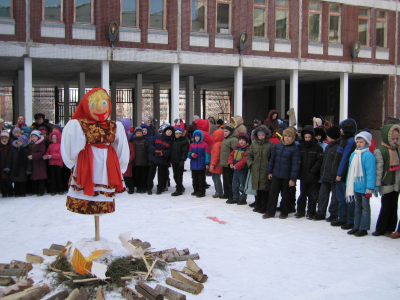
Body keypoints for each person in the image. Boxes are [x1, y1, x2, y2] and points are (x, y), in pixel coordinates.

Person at [61, 88, 129, 215]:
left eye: (104, 104)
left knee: (104, 189)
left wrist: (121, 165)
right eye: (93, 105)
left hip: (108, 163)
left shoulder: (115, 126)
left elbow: (121, 147)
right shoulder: (78, 125)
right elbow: (71, 145)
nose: (100, 109)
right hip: (88, 162)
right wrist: (71, 160)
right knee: (88, 189)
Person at [263, 128, 301, 219]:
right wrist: (270, 172)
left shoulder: (295, 149)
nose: (287, 138)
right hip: (276, 174)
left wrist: (292, 179)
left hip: (287, 176)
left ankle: (284, 212)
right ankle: (270, 211)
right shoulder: (278, 146)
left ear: (293, 138)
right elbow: (272, 160)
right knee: (273, 194)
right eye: (285, 136)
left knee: (286, 195)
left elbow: (296, 165)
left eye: (289, 136)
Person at [345, 131, 376, 237]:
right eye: (357, 141)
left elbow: (370, 173)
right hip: (355, 186)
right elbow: (350, 170)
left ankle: (364, 227)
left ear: (366, 143)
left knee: (365, 207)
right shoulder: (354, 154)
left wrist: (370, 188)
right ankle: (356, 226)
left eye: (361, 142)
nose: (358, 144)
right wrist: (348, 183)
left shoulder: (368, 156)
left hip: (364, 187)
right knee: (357, 207)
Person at [373, 124, 400, 237]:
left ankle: (390, 228)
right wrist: (377, 183)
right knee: (385, 207)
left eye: (397, 139)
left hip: (396, 183)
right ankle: (380, 228)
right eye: (393, 139)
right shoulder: (380, 150)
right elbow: (379, 169)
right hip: (386, 183)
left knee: (394, 207)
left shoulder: (396, 150)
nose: (395, 141)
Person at [331, 118, 357, 229]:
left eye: (342, 129)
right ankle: (342, 218)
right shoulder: (343, 140)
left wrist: (339, 173)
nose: (341, 131)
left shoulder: (351, 141)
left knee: (348, 199)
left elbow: (345, 159)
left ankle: (350, 220)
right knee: (340, 198)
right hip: (339, 174)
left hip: (345, 175)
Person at [314, 126, 341, 221]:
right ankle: (321, 212)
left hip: (334, 177)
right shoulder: (328, 146)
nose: (326, 137)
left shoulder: (339, 147)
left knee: (335, 198)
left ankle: (334, 214)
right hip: (325, 176)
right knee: (322, 195)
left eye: (328, 135)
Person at [295, 125, 323, 219]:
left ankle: (311, 211)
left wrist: (313, 171)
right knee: (302, 194)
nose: (307, 139)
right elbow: (297, 159)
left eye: (309, 137)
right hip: (303, 175)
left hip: (313, 175)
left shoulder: (317, 148)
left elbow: (320, 160)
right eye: (306, 137)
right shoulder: (300, 147)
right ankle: (300, 211)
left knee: (312, 195)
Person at [246, 125, 274, 213]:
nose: (261, 136)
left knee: (265, 189)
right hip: (256, 170)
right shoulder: (254, 145)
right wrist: (251, 164)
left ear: (266, 135)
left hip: (266, 170)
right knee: (257, 188)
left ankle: (264, 206)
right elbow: (249, 155)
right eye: (259, 135)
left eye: (263, 135)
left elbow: (273, 157)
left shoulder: (270, 144)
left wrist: (270, 167)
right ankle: (257, 204)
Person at [147, 125, 174, 195]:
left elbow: (170, 151)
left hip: (162, 159)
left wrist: (163, 153)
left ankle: (160, 188)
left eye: (170, 132)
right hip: (153, 158)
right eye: (168, 131)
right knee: (151, 174)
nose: (169, 132)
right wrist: (154, 150)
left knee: (161, 175)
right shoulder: (157, 137)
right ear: (165, 131)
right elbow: (150, 145)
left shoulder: (170, 141)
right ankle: (149, 188)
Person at [227, 133, 250, 205]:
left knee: (242, 185)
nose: (241, 141)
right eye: (240, 140)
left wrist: (237, 165)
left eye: (243, 140)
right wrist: (230, 163)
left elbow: (245, 160)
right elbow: (231, 155)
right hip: (235, 170)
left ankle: (243, 198)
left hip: (242, 170)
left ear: (246, 141)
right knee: (235, 184)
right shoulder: (236, 147)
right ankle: (235, 197)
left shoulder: (247, 149)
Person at [188, 130, 211, 198]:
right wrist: (191, 154)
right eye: (195, 137)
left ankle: (202, 191)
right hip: (194, 165)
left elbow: (207, 154)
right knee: (194, 179)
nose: (197, 138)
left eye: (198, 136)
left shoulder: (204, 145)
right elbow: (188, 153)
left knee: (201, 179)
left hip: (201, 165)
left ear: (201, 137)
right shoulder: (192, 145)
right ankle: (196, 190)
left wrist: (207, 163)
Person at [219, 123, 238, 201]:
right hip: (224, 162)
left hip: (229, 163)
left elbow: (235, 152)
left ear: (231, 131)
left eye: (226, 131)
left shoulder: (233, 140)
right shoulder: (226, 139)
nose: (225, 133)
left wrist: (232, 162)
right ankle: (226, 193)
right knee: (225, 179)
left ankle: (231, 194)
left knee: (229, 180)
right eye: (224, 131)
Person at [43, 130, 64, 196]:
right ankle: (53, 190)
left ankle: (60, 189)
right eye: (53, 138)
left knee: (59, 177)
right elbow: (47, 152)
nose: (54, 139)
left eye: (55, 138)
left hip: (58, 164)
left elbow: (60, 155)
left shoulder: (60, 146)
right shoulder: (50, 146)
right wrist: (46, 156)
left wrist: (51, 156)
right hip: (51, 163)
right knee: (52, 178)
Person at [130, 127, 150, 194]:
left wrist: (148, 160)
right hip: (135, 162)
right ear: (135, 133)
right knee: (136, 175)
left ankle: (143, 187)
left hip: (144, 161)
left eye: (140, 133)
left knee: (143, 176)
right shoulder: (132, 141)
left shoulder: (145, 141)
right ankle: (138, 187)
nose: (139, 134)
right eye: (137, 133)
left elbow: (148, 151)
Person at [170, 127, 189, 196]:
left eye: (179, 133)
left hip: (180, 161)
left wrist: (182, 160)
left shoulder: (184, 141)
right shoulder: (173, 141)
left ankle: (179, 189)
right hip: (174, 160)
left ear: (182, 134)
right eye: (176, 133)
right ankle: (180, 186)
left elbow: (185, 151)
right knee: (175, 175)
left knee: (179, 175)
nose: (178, 135)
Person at [28, 130, 47, 196]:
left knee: (40, 178)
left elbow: (41, 153)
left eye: (35, 137)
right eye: (32, 136)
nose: (33, 138)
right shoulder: (31, 144)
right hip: (33, 163)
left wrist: (33, 156)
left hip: (40, 163)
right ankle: (34, 190)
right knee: (34, 178)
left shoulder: (41, 144)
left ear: (38, 137)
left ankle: (41, 191)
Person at [210, 129, 224, 198]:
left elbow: (216, 156)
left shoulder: (217, 144)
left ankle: (218, 192)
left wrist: (213, 164)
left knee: (216, 178)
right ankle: (219, 191)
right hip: (217, 165)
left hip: (216, 165)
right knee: (216, 178)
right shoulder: (221, 143)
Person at [0, 130, 13, 197]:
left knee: (8, 179)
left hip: (9, 165)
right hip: (1, 165)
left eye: (6, 138)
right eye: (3, 138)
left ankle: (10, 192)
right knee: (2, 180)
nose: (4, 140)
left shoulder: (10, 146)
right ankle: (4, 192)